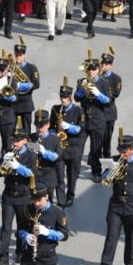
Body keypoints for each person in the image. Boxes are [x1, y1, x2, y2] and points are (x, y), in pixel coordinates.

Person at [93, 134, 133, 265]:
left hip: (132, 206)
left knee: (131, 236)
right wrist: (108, 171)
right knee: (111, 236)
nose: (122, 154)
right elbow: (105, 180)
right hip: (116, 205)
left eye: (124, 151)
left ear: (132, 150)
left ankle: (129, 262)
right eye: (120, 150)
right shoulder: (114, 160)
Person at [0, 125, 39, 265]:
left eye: (18, 140)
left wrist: (17, 166)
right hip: (8, 196)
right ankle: (3, 257)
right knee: (6, 228)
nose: (14, 143)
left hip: (23, 197)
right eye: (14, 140)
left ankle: (20, 251)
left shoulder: (32, 155)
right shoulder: (8, 152)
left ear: (25, 141)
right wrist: (4, 161)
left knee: (22, 227)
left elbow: (32, 174)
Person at [16, 182, 68, 265]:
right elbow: (20, 230)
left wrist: (48, 232)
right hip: (29, 257)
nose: (36, 203)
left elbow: (64, 235)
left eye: (39, 200)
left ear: (47, 197)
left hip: (47, 260)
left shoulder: (57, 212)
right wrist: (26, 236)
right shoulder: (27, 209)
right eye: (34, 200)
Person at [74, 56, 111, 182]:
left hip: (97, 119)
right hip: (84, 118)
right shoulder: (81, 81)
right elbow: (76, 98)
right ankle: (75, 170)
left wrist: (98, 94)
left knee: (96, 148)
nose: (91, 72)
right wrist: (81, 89)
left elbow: (107, 101)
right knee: (78, 147)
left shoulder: (104, 83)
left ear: (98, 69)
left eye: (94, 69)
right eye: (89, 69)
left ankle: (96, 171)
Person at [49, 77, 83, 208]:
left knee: (71, 175)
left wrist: (68, 126)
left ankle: (71, 196)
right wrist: (54, 133)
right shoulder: (55, 109)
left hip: (73, 147)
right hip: (59, 147)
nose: (63, 99)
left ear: (70, 98)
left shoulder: (78, 110)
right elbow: (51, 126)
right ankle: (61, 200)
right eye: (61, 97)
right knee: (59, 174)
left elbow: (80, 129)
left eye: (65, 97)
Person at [30, 110, 62, 203]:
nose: (39, 129)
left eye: (42, 127)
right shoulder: (30, 138)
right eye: (37, 126)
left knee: (48, 202)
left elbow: (58, 157)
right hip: (34, 176)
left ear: (48, 125)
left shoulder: (55, 139)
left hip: (48, 177)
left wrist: (44, 152)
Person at [13, 38, 40, 136]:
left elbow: (36, 84)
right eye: (16, 55)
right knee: (11, 130)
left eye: (20, 55)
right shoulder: (11, 68)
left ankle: (27, 150)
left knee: (26, 131)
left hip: (26, 103)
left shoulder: (32, 67)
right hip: (13, 104)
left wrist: (21, 86)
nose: (18, 58)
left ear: (24, 55)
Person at [99, 49, 122, 160]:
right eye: (102, 63)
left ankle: (106, 156)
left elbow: (115, 94)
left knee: (107, 137)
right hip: (97, 112)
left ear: (111, 65)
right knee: (97, 137)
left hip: (109, 112)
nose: (103, 66)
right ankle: (96, 156)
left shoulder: (116, 79)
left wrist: (100, 92)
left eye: (106, 64)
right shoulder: (96, 76)